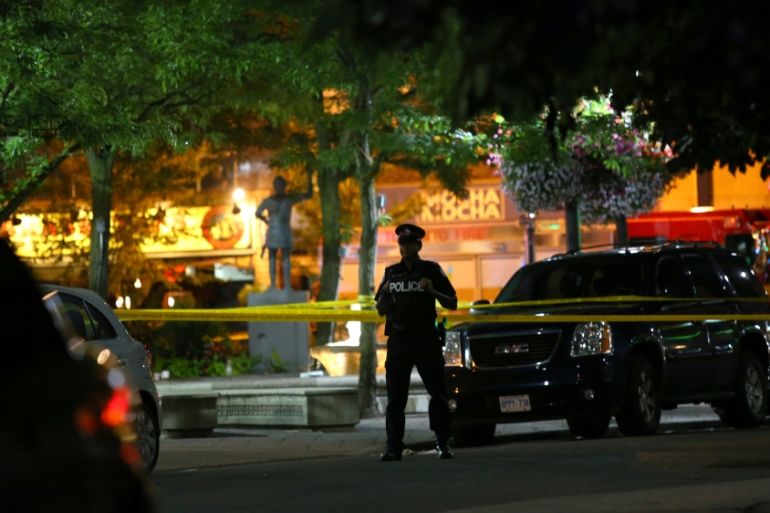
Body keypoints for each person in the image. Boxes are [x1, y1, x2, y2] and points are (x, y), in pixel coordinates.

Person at [375, 223, 458, 461]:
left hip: (425, 338)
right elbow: (380, 310)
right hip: (399, 339)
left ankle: (443, 442)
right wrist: (386, 292)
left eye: (409, 243)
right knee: (395, 397)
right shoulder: (391, 273)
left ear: (419, 246)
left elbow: (452, 302)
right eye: (401, 243)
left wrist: (433, 291)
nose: (404, 247)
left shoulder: (432, 270)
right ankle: (394, 446)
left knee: (438, 394)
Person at [256, 172, 313, 290]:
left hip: (273, 231)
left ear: (274, 186)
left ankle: (273, 286)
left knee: (273, 257)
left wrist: (266, 220)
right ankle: (286, 285)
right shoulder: (289, 199)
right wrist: (309, 176)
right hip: (284, 231)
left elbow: (257, 213)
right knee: (285, 257)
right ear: (284, 186)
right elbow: (308, 194)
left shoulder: (268, 201)